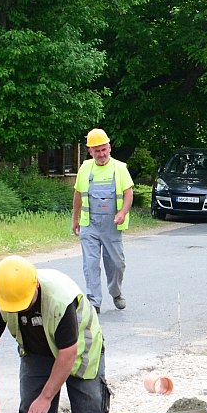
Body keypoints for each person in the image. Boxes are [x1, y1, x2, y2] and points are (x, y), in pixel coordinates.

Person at [0, 255, 110, 413]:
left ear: (36, 287)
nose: (20, 309)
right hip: (37, 352)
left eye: (24, 303)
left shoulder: (60, 300)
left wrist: (46, 398)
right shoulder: (4, 295)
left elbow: (67, 354)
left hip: (81, 349)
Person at [72, 128, 133, 311]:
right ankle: (94, 302)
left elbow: (128, 194)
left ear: (109, 148)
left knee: (116, 264)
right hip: (89, 225)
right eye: (97, 151)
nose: (101, 154)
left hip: (112, 225)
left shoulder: (119, 168)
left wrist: (122, 213)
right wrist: (74, 219)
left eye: (103, 149)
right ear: (90, 151)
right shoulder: (85, 168)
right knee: (90, 264)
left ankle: (115, 292)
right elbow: (77, 195)